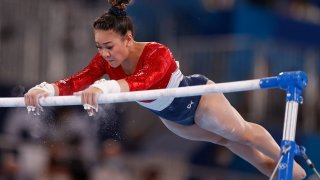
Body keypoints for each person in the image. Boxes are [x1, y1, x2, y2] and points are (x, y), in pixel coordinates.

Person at [24, 0, 306, 178]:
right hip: (174, 119)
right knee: (227, 141)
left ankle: (287, 160)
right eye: (99, 47)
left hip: (197, 99)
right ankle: (276, 172)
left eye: (109, 46)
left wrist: (106, 87)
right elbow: (77, 81)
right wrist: (45, 90)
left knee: (239, 132)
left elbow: (143, 82)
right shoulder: (105, 62)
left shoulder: (157, 52)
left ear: (128, 38)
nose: (104, 54)